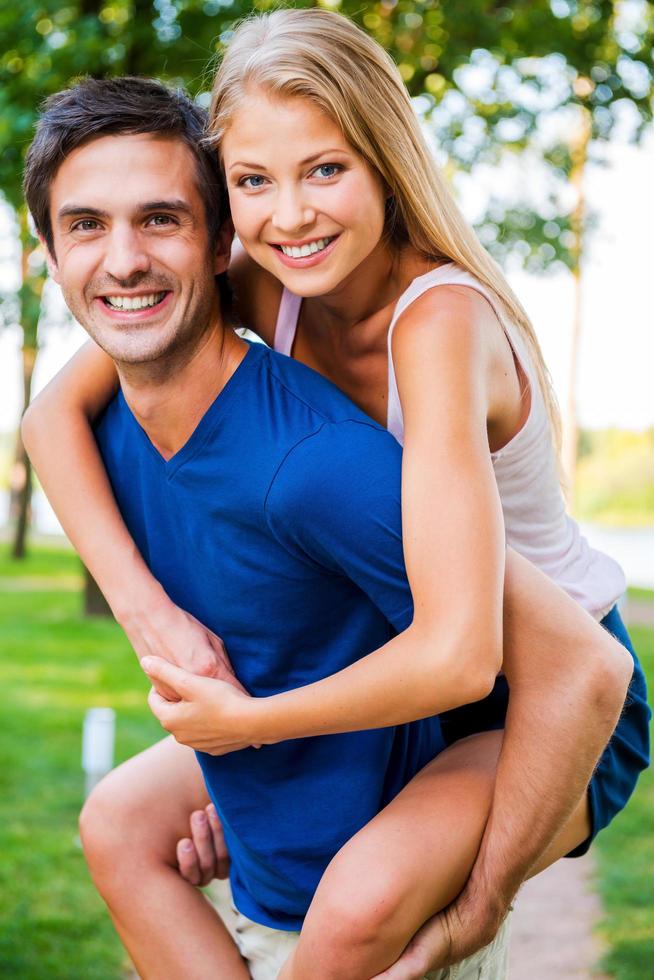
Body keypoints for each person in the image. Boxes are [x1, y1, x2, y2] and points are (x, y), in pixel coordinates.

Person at [21, 10, 648, 974]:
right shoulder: (264, 278)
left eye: (326, 170)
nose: (292, 214)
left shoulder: (437, 325)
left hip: (541, 686)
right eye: (254, 181)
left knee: (352, 908)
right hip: (419, 665)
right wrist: (154, 620)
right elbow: (49, 421)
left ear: (386, 162)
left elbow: (465, 652)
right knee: (120, 822)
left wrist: (252, 734)